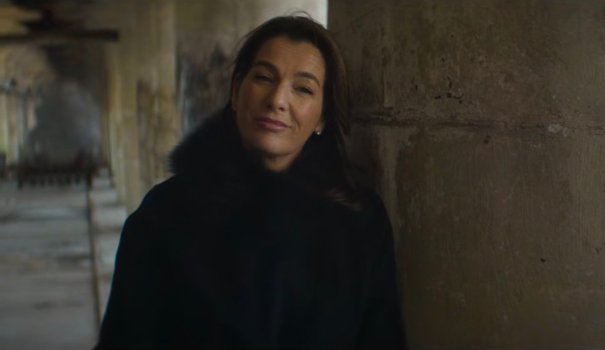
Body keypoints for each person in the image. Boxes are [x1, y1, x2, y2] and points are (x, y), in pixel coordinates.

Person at [95, 16, 405, 349]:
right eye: (263, 78)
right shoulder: (165, 215)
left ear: (323, 117)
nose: (277, 100)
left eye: (303, 88)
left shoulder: (359, 221)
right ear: (235, 90)